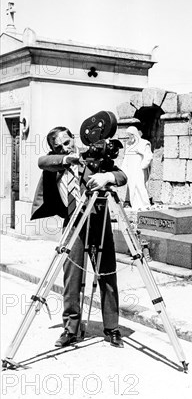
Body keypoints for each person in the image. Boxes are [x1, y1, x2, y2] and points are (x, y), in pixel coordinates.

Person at [31, 126, 128, 348]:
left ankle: (112, 328)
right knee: (71, 278)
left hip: (98, 223)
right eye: (60, 146)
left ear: (73, 138)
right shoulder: (56, 163)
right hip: (73, 224)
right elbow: (42, 161)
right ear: (55, 149)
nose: (66, 147)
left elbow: (122, 177)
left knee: (107, 274)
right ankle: (71, 329)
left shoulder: (92, 156)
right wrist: (67, 158)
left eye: (68, 142)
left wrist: (107, 176)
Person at [122, 125, 153, 210]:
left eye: (131, 134)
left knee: (140, 186)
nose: (129, 137)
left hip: (139, 170)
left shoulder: (144, 143)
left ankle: (145, 205)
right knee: (132, 187)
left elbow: (149, 156)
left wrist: (143, 166)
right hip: (131, 170)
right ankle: (135, 205)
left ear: (135, 134)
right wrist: (123, 169)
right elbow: (126, 158)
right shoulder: (128, 145)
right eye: (128, 135)